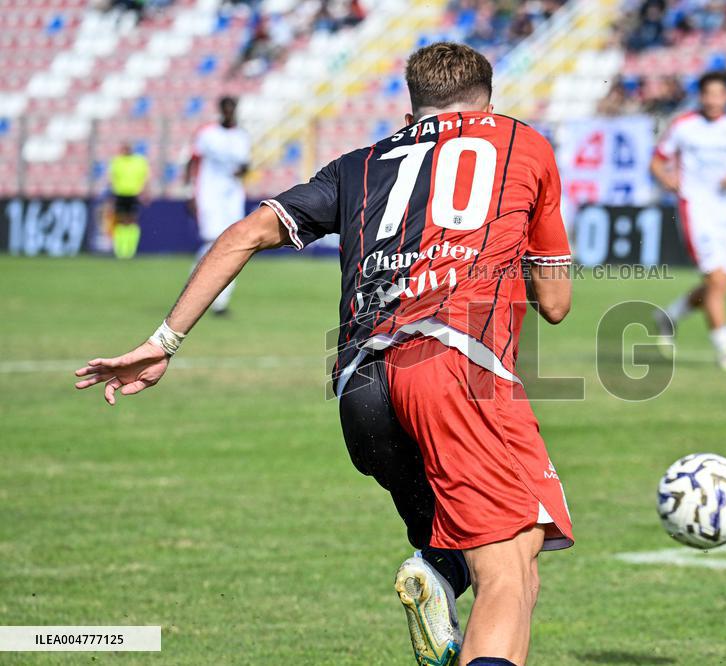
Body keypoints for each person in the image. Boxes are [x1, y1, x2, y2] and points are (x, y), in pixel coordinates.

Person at [74, 42, 574, 666]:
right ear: (490, 99)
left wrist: (161, 344)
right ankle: (442, 574)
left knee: (505, 543)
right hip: (455, 367)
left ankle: (439, 573)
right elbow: (554, 302)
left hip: (361, 392)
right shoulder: (523, 144)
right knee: (510, 573)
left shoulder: (361, 163)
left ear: (413, 103)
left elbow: (244, 234)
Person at [650, 71, 726, 374]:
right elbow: (657, 160)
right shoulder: (684, 126)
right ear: (701, 96)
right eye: (707, 94)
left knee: (720, 283)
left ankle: (668, 317)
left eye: (718, 94)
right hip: (696, 208)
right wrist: (667, 179)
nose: (713, 100)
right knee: (716, 281)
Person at [184, 96, 251, 316]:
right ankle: (194, 291)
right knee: (212, 241)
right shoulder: (208, 134)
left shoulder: (242, 137)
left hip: (232, 197)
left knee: (235, 245)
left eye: (233, 108)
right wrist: (189, 192)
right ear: (221, 109)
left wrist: (241, 171)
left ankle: (220, 302)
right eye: (227, 108)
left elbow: (245, 166)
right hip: (209, 194)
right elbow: (192, 161)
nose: (230, 112)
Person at [107, 142, 149, 259]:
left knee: (132, 221)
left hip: (134, 194)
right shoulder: (117, 161)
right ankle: (120, 249)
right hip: (120, 194)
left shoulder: (139, 161)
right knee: (120, 221)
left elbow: (145, 178)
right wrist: (111, 195)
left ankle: (130, 249)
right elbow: (111, 179)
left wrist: (145, 192)